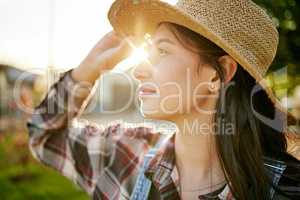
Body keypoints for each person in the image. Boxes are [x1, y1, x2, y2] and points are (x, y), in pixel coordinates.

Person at [27, 0, 300, 199]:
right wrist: (87, 70)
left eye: (163, 51)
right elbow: (44, 135)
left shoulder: (287, 189)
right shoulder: (126, 155)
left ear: (218, 74)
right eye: (149, 51)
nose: (139, 70)